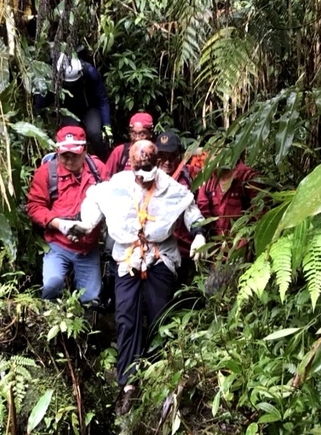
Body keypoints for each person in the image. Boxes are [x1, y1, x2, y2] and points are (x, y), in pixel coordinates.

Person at [68, 141, 207, 413]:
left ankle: (159, 376)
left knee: (159, 314)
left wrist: (200, 235)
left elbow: (192, 212)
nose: (143, 174)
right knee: (126, 317)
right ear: (131, 166)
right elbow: (94, 206)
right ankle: (128, 384)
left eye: (148, 167)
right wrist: (84, 226)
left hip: (160, 255)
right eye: (139, 168)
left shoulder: (170, 187)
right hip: (126, 258)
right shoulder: (118, 185)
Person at [25, 125, 107, 305]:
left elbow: (110, 200)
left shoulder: (98, 170)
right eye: (65, 156)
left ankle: (84, 330)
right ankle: (50, 323)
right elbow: (34, 206)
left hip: (88, 247)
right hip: (58, 243)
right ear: (57, 151)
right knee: (51, 285)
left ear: (84, 150)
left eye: (74, 155)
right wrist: (59, 224)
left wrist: (93, 223)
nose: (69, 161)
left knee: (91, 299)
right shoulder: (46, 172)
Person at [34, 52, 112, 160]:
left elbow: (102, 99)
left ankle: (105, 162)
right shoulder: (50, 78)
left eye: (73, 82)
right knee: (72, 135)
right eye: (68, 83)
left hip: (88, 107)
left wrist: (106, 124)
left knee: (95, 134)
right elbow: (40, 103)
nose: (71, 84)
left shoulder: (89, 72)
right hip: (66, 110)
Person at [154, 131, 196, 285]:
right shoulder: (149, 177)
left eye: (172, 156)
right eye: (162, 156)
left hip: (184, 249)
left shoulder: (187, 178)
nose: (167, 161)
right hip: (158, 251)